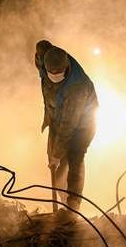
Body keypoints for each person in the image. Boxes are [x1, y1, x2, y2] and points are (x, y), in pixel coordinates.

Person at [34, 40, 98, 212]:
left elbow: (68, 126)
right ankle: (61, 200)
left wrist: (57, 154)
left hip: (83, 124)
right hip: (57, 116)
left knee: (74, 158)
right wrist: (54, 155)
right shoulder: (44, 58)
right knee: (54, 161)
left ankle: (72, 206)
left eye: (59, 72)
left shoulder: (77, 87)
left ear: (66, 67)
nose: (54, 75)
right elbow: (41, 46)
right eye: (51, 72)